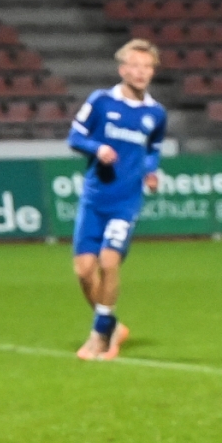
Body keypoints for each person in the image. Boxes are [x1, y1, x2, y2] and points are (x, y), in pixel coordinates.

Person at [67, 39, 167, 360]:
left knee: (109, 262)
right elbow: (75, 136)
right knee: (84, 271)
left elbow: (152, 149)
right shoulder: (100, 101)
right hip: (95, 198)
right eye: (135, 66)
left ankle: (99, 336)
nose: (141, 72)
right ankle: (111, 325)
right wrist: (97, 148)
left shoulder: (155, 113)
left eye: (147, 67)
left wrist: (150, 171)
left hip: (126, 201)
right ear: (123, 69)